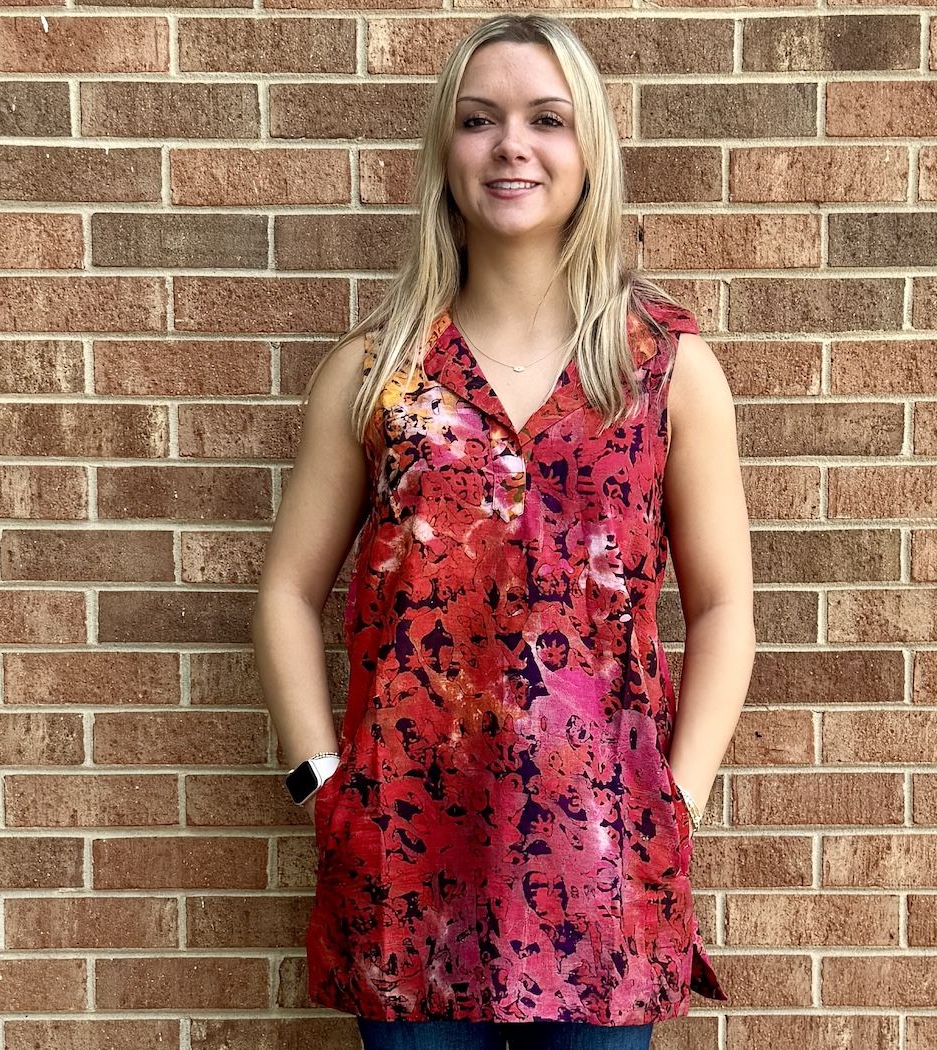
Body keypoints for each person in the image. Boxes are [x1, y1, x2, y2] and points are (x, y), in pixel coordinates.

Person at [252, 12, 754, 1050]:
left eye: (546, 119)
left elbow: (724, 607)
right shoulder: (376, 375)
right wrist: (322, 782)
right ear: (447, 148)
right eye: (480, 120)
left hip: (606, 877)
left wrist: (678, 798)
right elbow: (288, 592)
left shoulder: (663, 371)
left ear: (590, 152)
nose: (512, 145)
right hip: (406, 870)